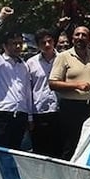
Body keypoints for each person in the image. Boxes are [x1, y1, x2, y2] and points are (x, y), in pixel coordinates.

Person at [49, 26, 90, 159]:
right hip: (71, 108)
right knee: (71, 145)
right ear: (72, 38)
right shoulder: (63, 57)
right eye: (77, 34)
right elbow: (52, 83)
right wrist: (77, 85)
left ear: (89, 39)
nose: (80, 37)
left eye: (84, 35)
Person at [0, 7, 31, 149]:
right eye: (13, 43)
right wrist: (1, 17)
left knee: (16, 155)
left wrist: (29, 117)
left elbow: (27, 92)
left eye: (20, 43)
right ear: (4, 45)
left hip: (20, 116)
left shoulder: (24, 65)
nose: (17, 46)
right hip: (1, 116)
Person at [25, 29, 61, 158]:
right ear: (37, 45)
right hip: (39, 112)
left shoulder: (63, 59)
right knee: (40, 152)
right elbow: (28, 91)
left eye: (49, 41)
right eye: (42, 42)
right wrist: (29, 117)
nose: (47, 45)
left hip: (59, 111)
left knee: (59, 150)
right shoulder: (31, 63)